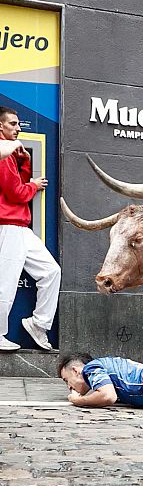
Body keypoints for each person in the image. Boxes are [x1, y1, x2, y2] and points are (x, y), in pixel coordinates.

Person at [0, 106, 59, 352]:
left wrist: (23, 160)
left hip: (20, 227)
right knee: (5, 283)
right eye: (12, 124)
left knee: (51, 271)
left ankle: (38, 324)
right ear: (0, 126)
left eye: (17, 124)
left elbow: (17, 183)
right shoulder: (3, 156)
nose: (18, 128)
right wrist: (34, 185)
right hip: (8, 226)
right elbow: (16, 192)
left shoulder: (11, 155)